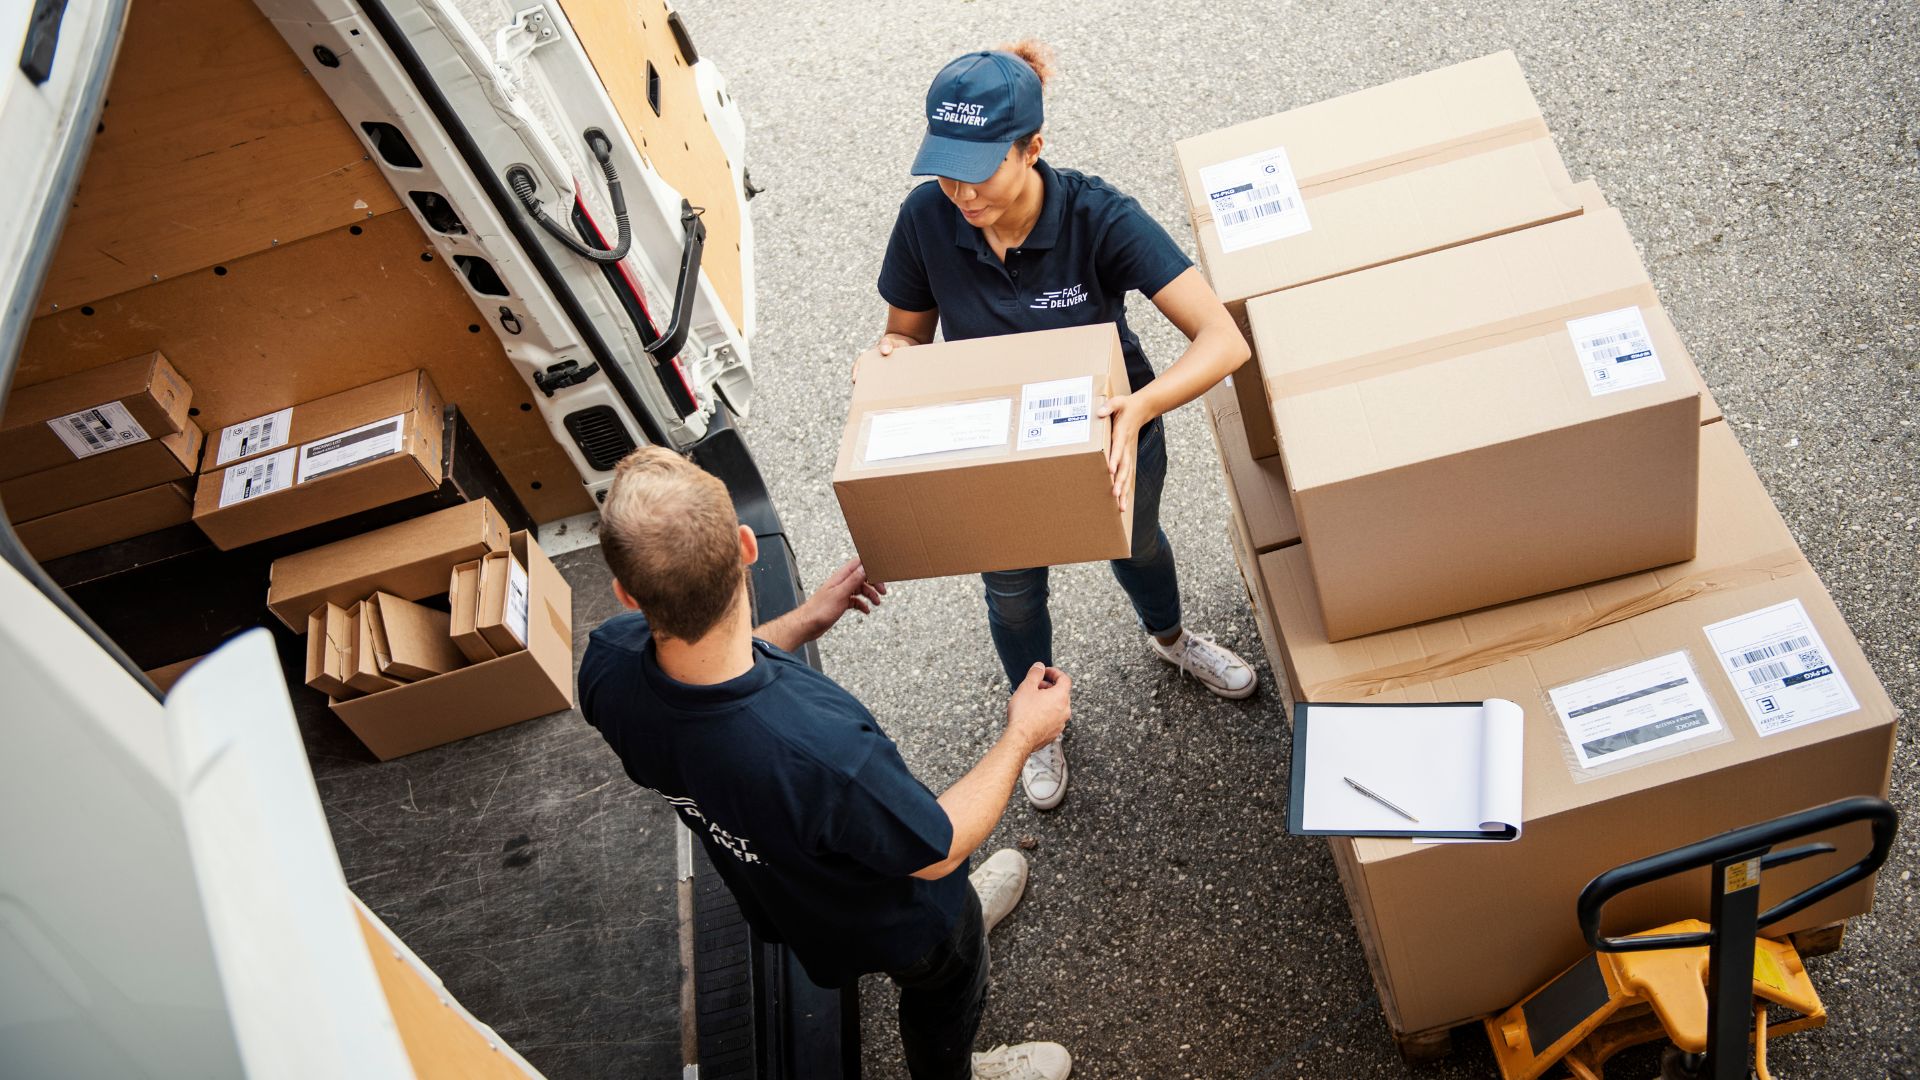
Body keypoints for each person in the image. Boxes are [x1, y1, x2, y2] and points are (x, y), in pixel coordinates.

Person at [578, 447, 1077, 1080]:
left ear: (626, 594)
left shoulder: (606, 664)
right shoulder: (818, 751)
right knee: (948, 979)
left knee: (931, 919)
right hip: (908, 912)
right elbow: (939, 849)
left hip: (790, 899)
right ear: (746, 546)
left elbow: (704, 672)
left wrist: (805, 620)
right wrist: (1022, 736)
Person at [874, 41, 1258, 812]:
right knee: (1013, 596)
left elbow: (1224, 340)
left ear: (1034, 148)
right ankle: (1037, 726)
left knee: (1138, 544)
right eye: (945, 167)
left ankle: (1172, 639)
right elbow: (908, 333)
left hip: (1113, 431)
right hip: (996, 455)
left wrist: (1139, 409)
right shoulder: (926, 218)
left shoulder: (1097, 215)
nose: (959, 190)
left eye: (979, 169)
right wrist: (891, 356)